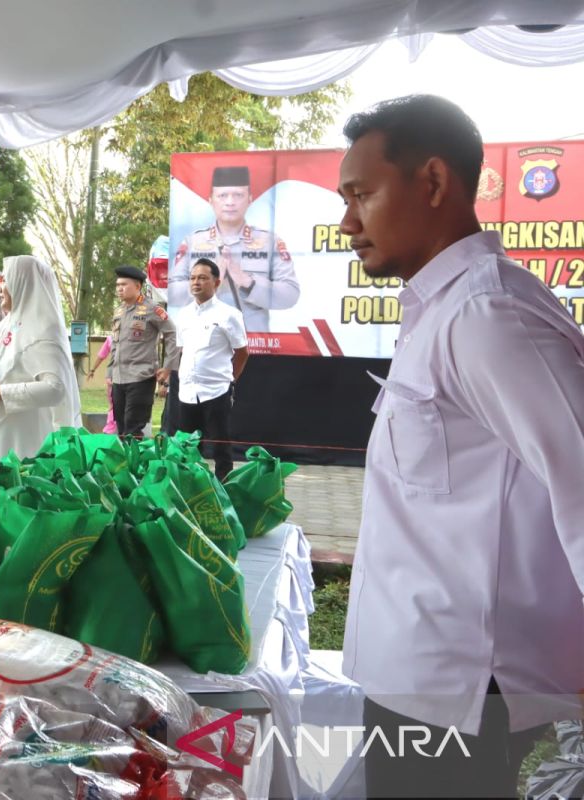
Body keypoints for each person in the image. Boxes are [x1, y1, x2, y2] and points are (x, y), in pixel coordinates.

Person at [337, 95, 584, 797]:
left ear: (435, 183)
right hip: (423, 677)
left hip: (460, 691)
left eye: (362, 194)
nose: (347, 220)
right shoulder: (441, 309)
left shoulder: (485, 315)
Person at [0, 255, 81, 458]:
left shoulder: (44, 330)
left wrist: (1, 393)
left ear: (23, 283)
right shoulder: (2, 327)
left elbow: (56, 388)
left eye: (5, 280)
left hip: (24, 441)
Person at [179, 165, 299, 332]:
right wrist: (208, 281)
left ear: (250, 199)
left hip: (255, 345)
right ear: (211, 200)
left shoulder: (269, 241)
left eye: (238, 195)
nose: (230, 202)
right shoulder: (192, 242)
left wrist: (247, 281)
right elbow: (175, 294)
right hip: (205, 341)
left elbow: (290, 294)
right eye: (222, 195)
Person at [170, 258, 248, 480]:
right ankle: (189, 483)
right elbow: (183, 349)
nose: (196, 282)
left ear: (217, 282)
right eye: (193, 278)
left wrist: (230, 380)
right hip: (187, 392)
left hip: (216, 390)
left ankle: (224, 487)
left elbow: (242, 353)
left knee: (220, 445)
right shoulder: (183, 314)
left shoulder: (229, 314)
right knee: (188, 445)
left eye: (203, 278)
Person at [108, 265, 179, 438]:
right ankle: (125, 463)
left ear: (138, 286)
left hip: (141, 376)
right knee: (122, 427)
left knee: (133, 428)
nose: (119, 289)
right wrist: (109, 374)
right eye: (117, 285)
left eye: (124, 284)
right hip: (119, 377)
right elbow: (115, 345)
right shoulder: (119, 311)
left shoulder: (152, 309)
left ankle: (136, 463)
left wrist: (168, 367)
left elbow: (172, 334)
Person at [85, 335, 118, 434]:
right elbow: (101, 355)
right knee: (113, 404)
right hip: (112, 377)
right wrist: (92, 370)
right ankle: (109, 430)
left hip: (129, 376)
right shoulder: (111, 339)